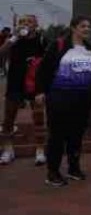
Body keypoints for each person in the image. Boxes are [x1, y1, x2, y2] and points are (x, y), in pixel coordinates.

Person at [35, 16, 91, 186]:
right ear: (73, 28)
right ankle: (53, 172)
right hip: (59, 97)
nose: (86, 29)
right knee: (57, 136)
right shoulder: (59, 45)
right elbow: (44, 69)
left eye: (89, 26)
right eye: (82, 26)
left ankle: (73, 168)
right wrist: (40, 91)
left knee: (77, 135)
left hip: (82, 99)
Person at [0, 15, 47, 166]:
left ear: (36, 25)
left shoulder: (41, 40)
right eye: (22, 22)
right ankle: (8, 150)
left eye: (29, 22)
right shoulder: (14, 41)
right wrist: (12, 38)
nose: (25, 24)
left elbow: (49, 60)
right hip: (15, 82)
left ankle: (40, 151)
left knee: (38, 118)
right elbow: (1, 53)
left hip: (35, 83)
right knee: (8, 118)